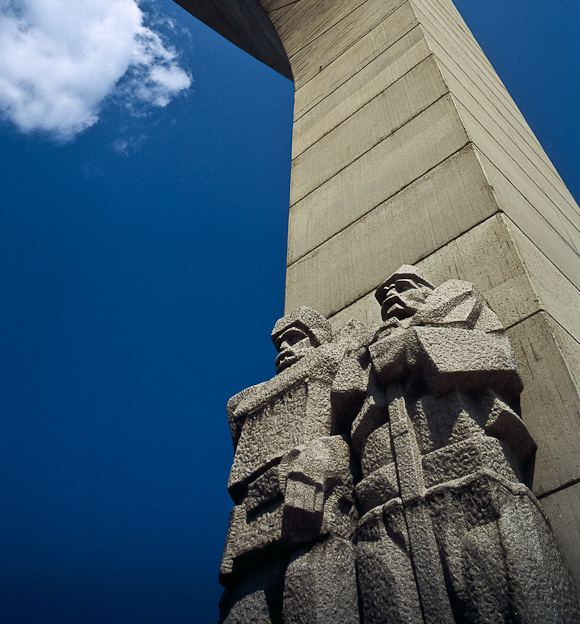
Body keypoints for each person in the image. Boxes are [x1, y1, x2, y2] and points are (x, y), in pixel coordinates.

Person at [333, 265, 580, 624]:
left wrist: (412, 347)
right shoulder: (369, 352)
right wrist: (360, 354)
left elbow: (497, 357)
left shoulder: (462, 304)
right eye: (383, 296)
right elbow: (345, 403)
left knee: (504, 584)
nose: (390, 298)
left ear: (426, 289)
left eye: (401, 287)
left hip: (470, 471)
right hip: (386, 494)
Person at [219, 306, 367, 624]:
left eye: (295, 339)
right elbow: (235, 408)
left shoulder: (329, 360)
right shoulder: (249, 399)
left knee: (316, 596)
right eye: (280, 344)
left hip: (314, 518)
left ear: (317, 339)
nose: (284, 349)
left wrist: (323, 457)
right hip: (251, 535)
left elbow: (352, 421)